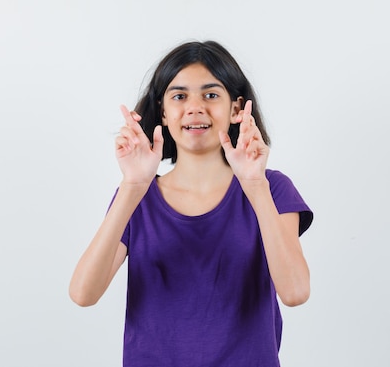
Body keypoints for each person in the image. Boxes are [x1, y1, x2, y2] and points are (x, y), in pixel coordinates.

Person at [69, 40, 314, 366]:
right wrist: (132, 187)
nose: (195, 107)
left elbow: (295, 292)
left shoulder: (272, 188)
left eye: (211, 95)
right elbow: (83, 294)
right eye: (180, 96)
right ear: (164, 112)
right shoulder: (136, 197)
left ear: (236, 108)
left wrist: (255, 184)